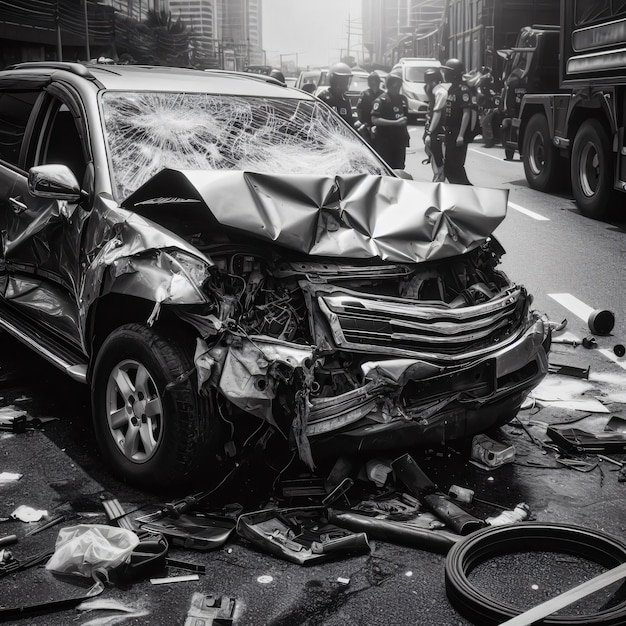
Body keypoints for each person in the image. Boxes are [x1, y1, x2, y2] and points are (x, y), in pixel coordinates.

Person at [441, 58, 475, 185]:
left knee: (455, 166)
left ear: (455, 73)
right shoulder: (452, 89)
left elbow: (466, 113)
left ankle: (469, 191)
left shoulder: (463, 90)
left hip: (458, 131)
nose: (445, 74)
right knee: (449, 167)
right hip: (450, 131)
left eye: (448, 72)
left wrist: (461, 135)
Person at [370, 68, 410, 169]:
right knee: (385, 168)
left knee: (399, 167)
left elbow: (405, 117)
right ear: (388, 85)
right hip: (385, 141)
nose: (396, 87)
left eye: (398, 84)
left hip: (400, 140)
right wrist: (395, 123)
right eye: (394, 84)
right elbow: (374, 119)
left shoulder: (403, 100)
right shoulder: (381, 100)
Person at [423, 68, 447, 182]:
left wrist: (429, 132)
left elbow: (437, 113)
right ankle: (437, 178)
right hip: (433, 127)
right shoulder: (431, 91)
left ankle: (439, 180)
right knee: (433, 155)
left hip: (439, 130)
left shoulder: (440, 92)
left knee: (438, 159)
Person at [316, 62, 356, 126]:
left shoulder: (344, 99)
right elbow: (320, 120)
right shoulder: (324, 97)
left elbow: (349, 121)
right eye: (341, 80)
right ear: (333, 80)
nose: (344, 84)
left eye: (346, 80)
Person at [355, 72, 383, 144]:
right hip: (367, 123)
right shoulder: (365, 94)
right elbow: (359, 109)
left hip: (380, 123)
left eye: (375, 81)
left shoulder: (383, 94)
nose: (374, 83)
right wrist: (362, 122)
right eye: (371, 80)